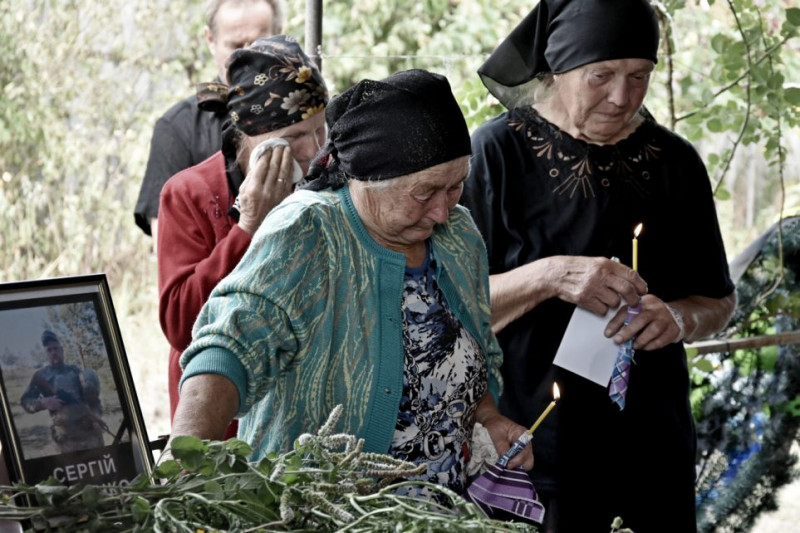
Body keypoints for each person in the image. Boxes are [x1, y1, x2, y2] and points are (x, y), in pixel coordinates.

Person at [169, 69, 534, 499]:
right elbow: (227, 349)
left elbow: (475, 355)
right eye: (424, 192)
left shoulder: (460, 238)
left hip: (438, 514)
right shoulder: (308, 231)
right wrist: (184, 475)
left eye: (456, 186)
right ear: (367, 180)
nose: (442, 211)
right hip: (323, 511)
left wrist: (488, 418)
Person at [460, 1, 737, 531]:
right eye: (601, 76)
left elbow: (717, 301)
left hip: (653, 448)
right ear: (557, 69)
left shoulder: (674, 162)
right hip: (532, 448)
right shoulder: (495, 156)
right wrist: (551, 276)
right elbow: (448, 309)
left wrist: (678, 318)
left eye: (639, 77)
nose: (622, 96)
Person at [158, 34, 328, 439]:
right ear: (248, 135)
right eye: (294, 136)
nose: (312, 151)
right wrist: (248, 226)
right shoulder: (191, 193)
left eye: (320, 130)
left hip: (301, 414)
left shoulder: (327, 178)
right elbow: (181, 324)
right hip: (221, 414)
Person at [133, 0, 285, 242]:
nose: (246, 57)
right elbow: (169, 248)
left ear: (279, 36)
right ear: (210, 40)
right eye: (235, 45)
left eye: (258, 44)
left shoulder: (307, 120)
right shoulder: (176, 129)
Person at [20, 331, 106, 454]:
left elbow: (94, 400)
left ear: (61, 350)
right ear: (45, 354)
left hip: (89, 436)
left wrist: (97, 415)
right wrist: (44, 403)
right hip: (65, 442)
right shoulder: (41, 376)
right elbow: (25, 401)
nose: (53, 352)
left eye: (55, 348)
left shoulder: (76, 372)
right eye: (49, 350)